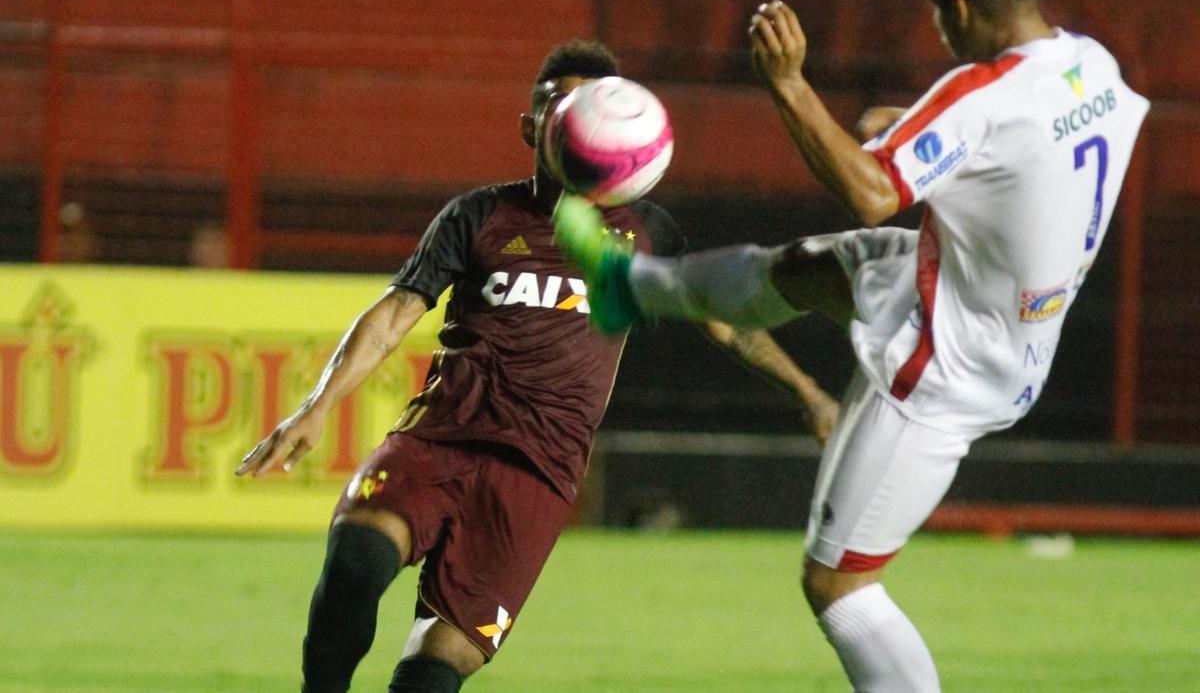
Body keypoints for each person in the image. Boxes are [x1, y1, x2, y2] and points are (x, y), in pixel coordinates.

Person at [552, 0, 1149, 691]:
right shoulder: (1093, 67)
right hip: (986, 303)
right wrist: (916, 128)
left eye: (939, 14)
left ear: (961, 7)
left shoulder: (981, 96)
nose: (940, 29)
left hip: (941, 363)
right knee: (799, 270)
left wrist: (791, 85)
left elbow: (873, 192)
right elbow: (1024, 148)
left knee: (839, 587)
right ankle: (628, 287)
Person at [235, 39, 839, 693]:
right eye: (558, 106)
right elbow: (391, 316)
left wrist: (808, 391)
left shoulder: (645, 233)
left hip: (535, 477)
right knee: (355, 559)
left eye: (590, 107)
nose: (576, 120)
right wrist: (317, 406)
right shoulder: (480, 215)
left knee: (433, 672)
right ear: (532, 128)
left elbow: (728, 324)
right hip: (439, 439)